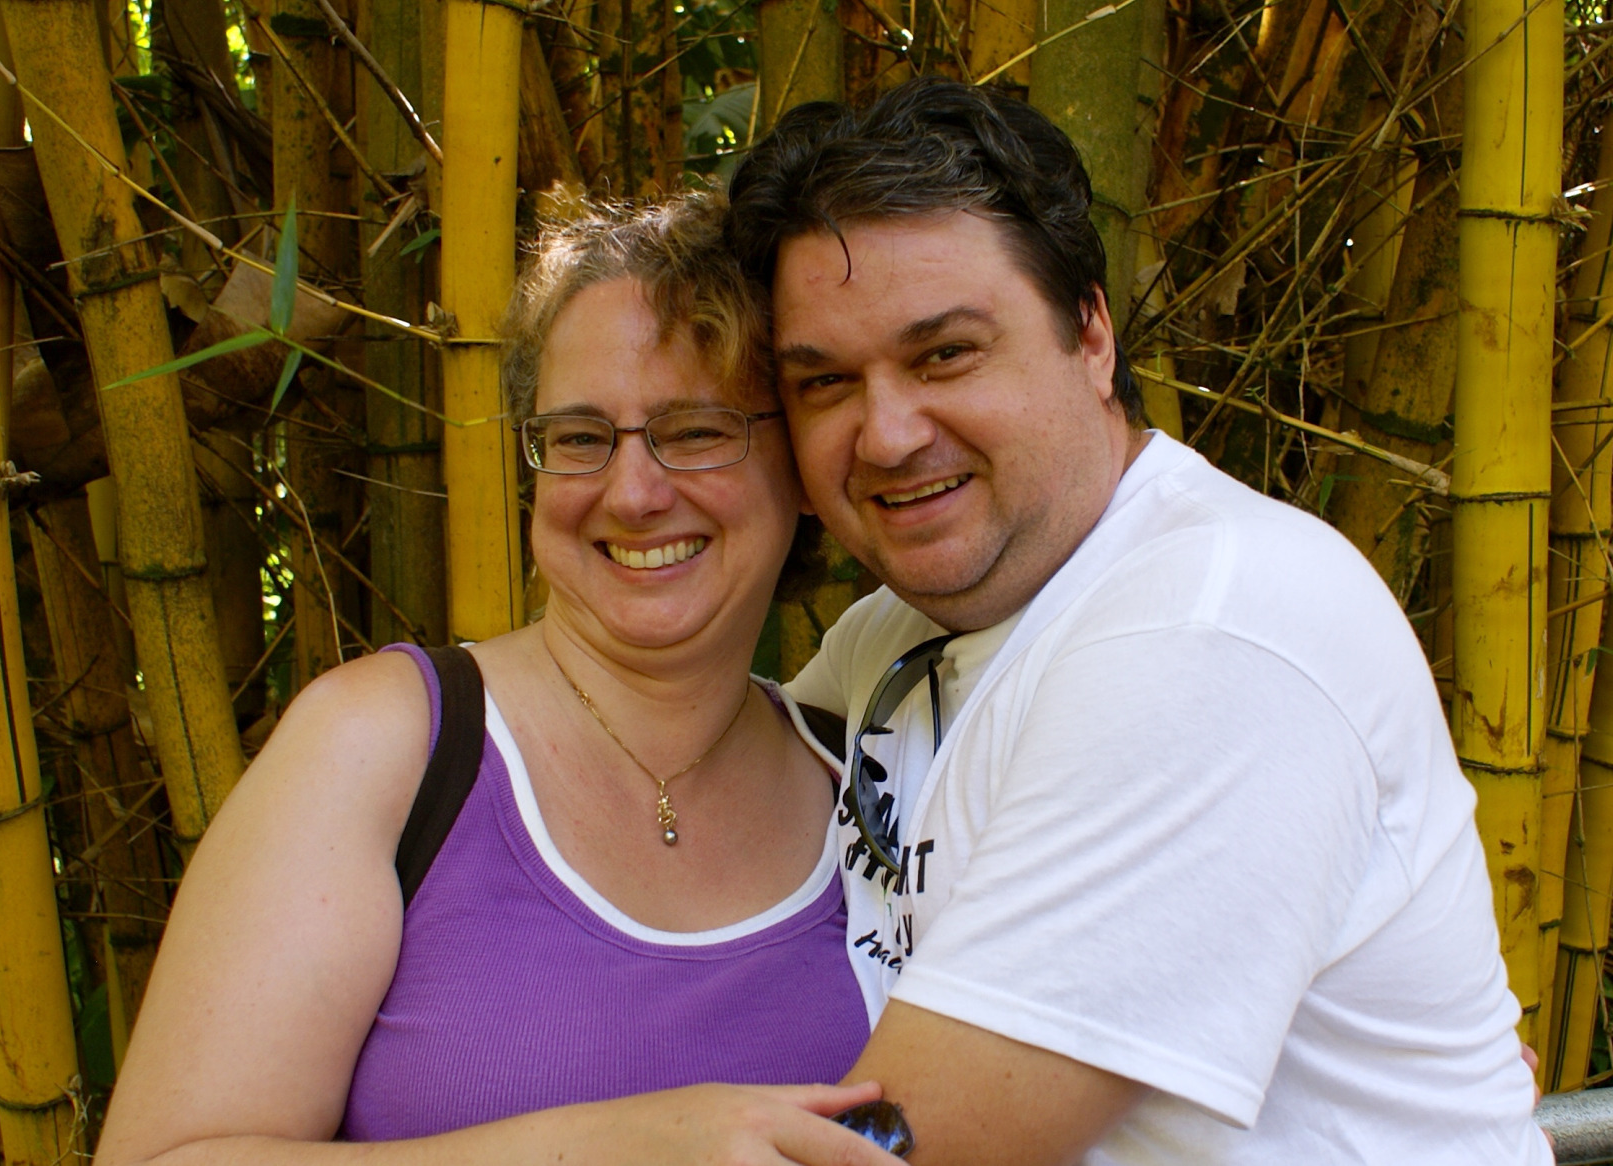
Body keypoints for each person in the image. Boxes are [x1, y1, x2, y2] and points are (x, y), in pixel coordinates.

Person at [727, 77, 1553, 1164]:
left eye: (945, 354)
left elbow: (896, 1152)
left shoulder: (1213, 628)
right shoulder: (888, 639)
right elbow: (657, 852)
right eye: (826, 380)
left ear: (1092, 333)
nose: (885, 434)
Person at [91, 193, 903, 1166]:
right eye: (577, 436)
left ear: (804, 466)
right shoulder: (388, 746)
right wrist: (621, 1147)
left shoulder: (866, 779)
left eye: (695, 430)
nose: (633, 491)